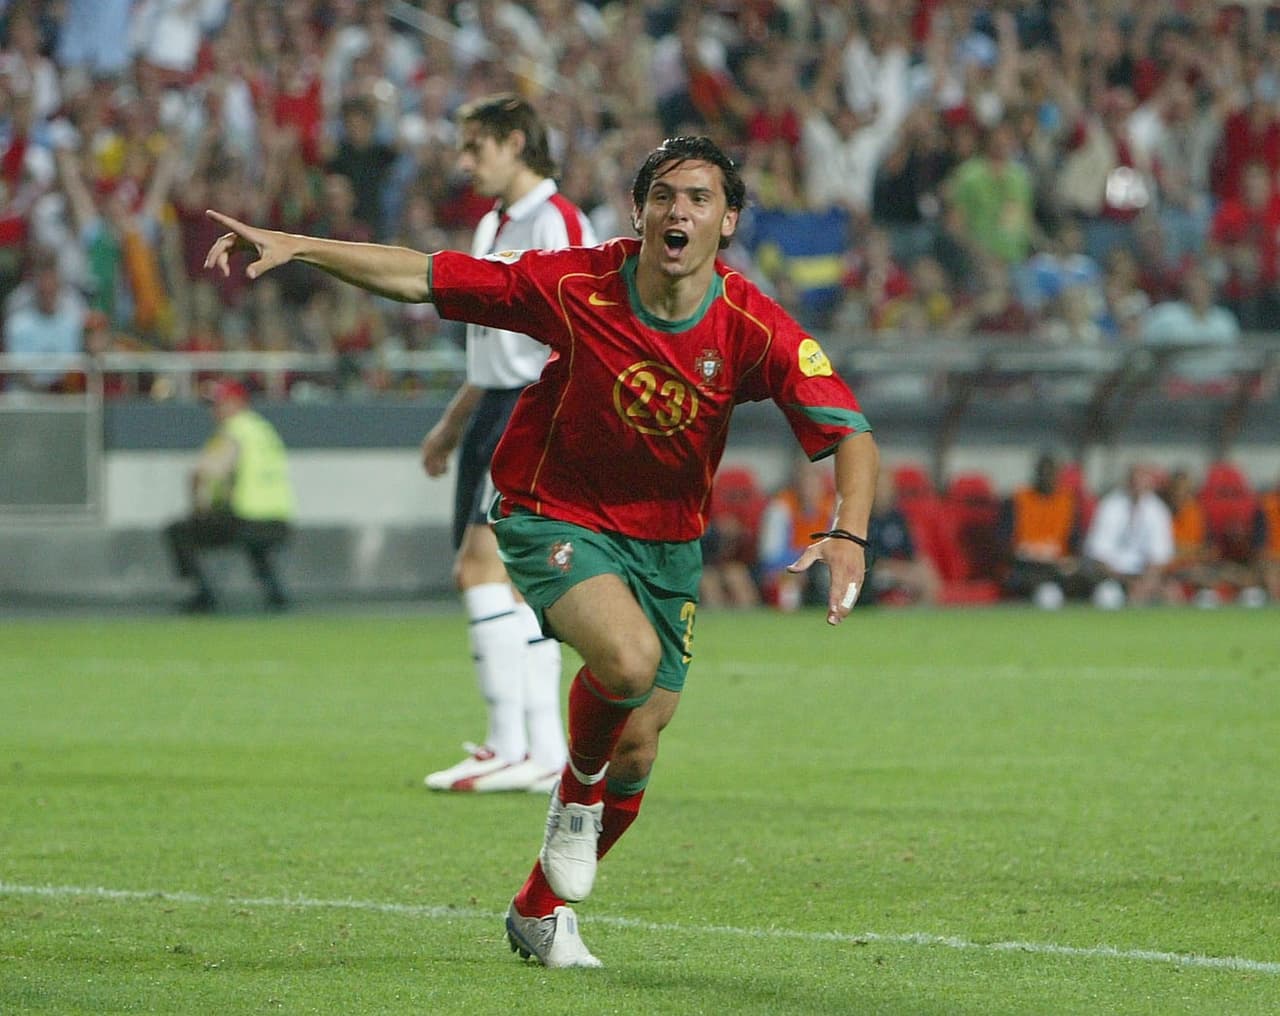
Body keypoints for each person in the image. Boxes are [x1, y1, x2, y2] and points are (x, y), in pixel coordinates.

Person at [203, 134, 879, 970]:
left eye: (700, 198)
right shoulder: (574, 282)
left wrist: (848, 531)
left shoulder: (751, 325)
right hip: (548, 512)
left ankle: (538, 908)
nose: (680, 210)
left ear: (728, 220)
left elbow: (847, 433)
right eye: (664, 194)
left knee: (642, 740)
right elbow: (423, 274)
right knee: (626, 665)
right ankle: (573, 798)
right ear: (639, 211)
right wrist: (301, 246)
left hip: (666, 545)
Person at [418, 94, 595, 794]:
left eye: (477, 148)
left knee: (480, 567)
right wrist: (452, 423)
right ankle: (537, 748)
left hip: (534, 408)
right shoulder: (494, 223)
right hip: (492, 404)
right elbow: (490, 344)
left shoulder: (558, 220)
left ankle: (512, 743)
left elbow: (584, 331)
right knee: (511, 583)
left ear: (516, 142)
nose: (466, 164)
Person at [165, 379, 295, 614]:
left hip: (246, 518)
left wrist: (199, 507)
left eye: (219, 404)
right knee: (254, 544)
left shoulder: (233, 432)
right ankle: (276, 594)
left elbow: (203, 473)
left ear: (237, 403)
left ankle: (203, 595)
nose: (213, 411)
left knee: (179, 531)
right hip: (279, 521)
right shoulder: (263, 430)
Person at [997, 452, 1089, 605]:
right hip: (1026, 568)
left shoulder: (1068, 502)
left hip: (1059, 567)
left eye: (1051, 473)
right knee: (1046, 594)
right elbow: (1002, 543)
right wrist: (1026, 554)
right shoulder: (1017, 500)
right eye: (1043, 472)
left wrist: (1072, 560)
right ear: (1036, 473)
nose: (1047, 477)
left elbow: (1076, 542)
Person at [1082, 464, 1175, 607]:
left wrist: (1146, 583)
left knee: (1172, 593)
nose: (1138, 486)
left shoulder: (1158, 510)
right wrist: (1127, 583)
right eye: (1135, 481)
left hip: (1144, 576)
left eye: (1143, 481)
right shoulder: (1109, 506)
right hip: (1113, 576)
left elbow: (1159, 556)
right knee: (1108, 595)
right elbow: (1098, 555)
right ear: (1128, 482)